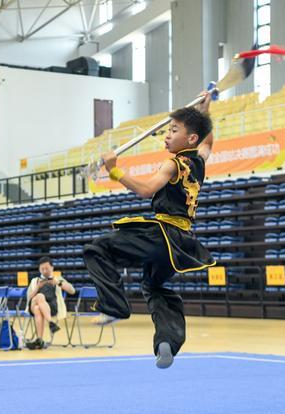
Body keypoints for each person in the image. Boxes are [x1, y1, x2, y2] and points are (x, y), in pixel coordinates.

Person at [83, 92, 216, 369]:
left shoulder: (172, 163)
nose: (167, 136)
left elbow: (145, 190)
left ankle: (114, 306)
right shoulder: (199, 162)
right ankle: (167, 341)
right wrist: (205, 111)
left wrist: (115, 171)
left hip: (161, 234)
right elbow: (207, 142)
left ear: (190, 138)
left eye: (174, 130)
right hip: (182, 243)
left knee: (97, 249)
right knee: (154, 287)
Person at [25, 257, 75, 350]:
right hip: (33, 303)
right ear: (39, 269)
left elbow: (72, 291)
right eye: (42, 269)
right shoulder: (34, 280)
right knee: (40, 296)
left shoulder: (58, 279)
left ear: (52, 268)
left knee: (38, 308)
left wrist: (58, 283)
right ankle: (50, 322)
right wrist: (37, 287)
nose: (44, 271)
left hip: (51, 308)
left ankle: (39, 340)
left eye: (47, 268)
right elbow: (29, 298)